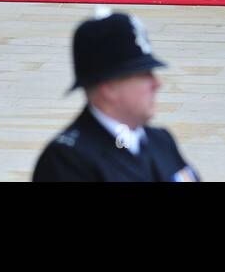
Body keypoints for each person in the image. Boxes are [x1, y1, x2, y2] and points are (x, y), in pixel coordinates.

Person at [33, 11, 198, 182]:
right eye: (144, 74)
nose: (157, 84)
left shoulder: (160, 141)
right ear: (109, 87)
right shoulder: (67, 160)